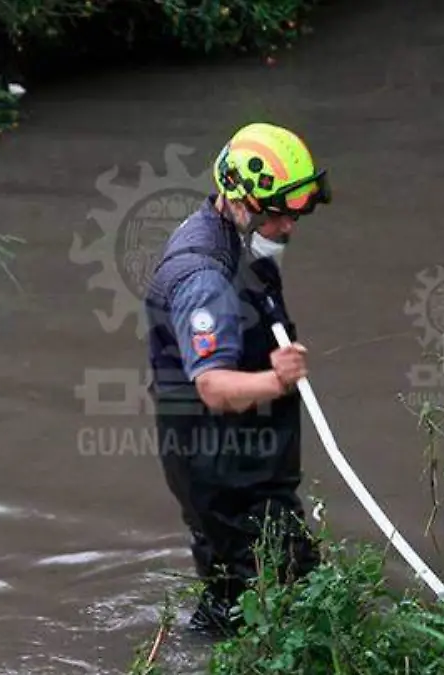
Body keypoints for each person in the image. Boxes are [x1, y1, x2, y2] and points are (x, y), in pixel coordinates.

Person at [142, 122, 332, 636]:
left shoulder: (228, 231)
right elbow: (213, 386)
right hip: (224, 470)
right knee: (270, 599)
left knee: (258, 589)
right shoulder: (206, 281)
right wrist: (277, 378)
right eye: (278, 215)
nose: (288, 227)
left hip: (236, 460)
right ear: (240, 199)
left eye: (296, 215)